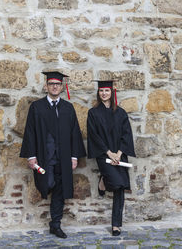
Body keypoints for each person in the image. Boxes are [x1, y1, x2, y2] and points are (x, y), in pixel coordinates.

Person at [20, 71, 86, 239]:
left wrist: (73, 157)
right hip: (44, 157)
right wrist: (31, 156)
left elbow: (74, 133)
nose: (55, 86)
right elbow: (30, 132)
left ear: (61, 87)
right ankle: (47, 193)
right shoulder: (37, 107)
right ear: (46, 86)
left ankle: (55, 224)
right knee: (47, 182)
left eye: (57, 84)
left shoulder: (67, 108)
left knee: (60, 189)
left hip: (63, 158)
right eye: (51, 84)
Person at [87, 80, 136, 236]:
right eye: (101, 91)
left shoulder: (120, 113)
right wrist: (109, 153)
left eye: (107, 91)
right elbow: (94, 136)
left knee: (121, 187)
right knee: (116, 182)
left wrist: (119, 153)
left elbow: (126, 134)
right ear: (98, 93)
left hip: (120, 154)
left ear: (112, 93)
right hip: (104, 155)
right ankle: (104, 181)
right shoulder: (93, 113)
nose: (104, 94)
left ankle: (116, 224)